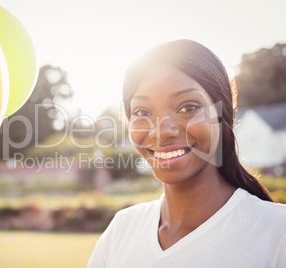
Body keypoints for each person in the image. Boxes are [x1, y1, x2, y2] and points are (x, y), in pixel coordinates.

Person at [87, 39, 286, 268]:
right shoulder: (121, 231)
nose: (161, 131)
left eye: (188, 107)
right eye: (142, 111)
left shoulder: (277, 234)